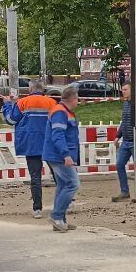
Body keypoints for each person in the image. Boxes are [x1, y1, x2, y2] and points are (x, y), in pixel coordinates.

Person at [2, 80, 57, 218]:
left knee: (35, 177)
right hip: (50, 144)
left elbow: (11, 120)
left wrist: (8, 104)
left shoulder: (23, 103)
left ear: (30, 89)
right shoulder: (51, 103)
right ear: (43, 89)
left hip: (31, 145)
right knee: (58, 174)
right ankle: (65, 202)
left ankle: (37, 209)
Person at [43, 84, 81, 232]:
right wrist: (66, 155)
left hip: (56, 155)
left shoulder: (63, 111)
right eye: (77, 99)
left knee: (63, 185)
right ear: (73, 98)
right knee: (72, 184)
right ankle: (57, 216)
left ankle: (61, 220)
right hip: (59, 156)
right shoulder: (60, 112)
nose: (78, 102)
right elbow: (57, 135)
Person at [112, 84, 135, 202]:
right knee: (119, 164)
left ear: (132, 90)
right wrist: (117, 136)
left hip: (135, 141)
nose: (123, 92)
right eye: (122, 90)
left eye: (125, 89)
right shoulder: (126, 104)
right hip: (126, 141)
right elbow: (124, 122)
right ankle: (125, 191)